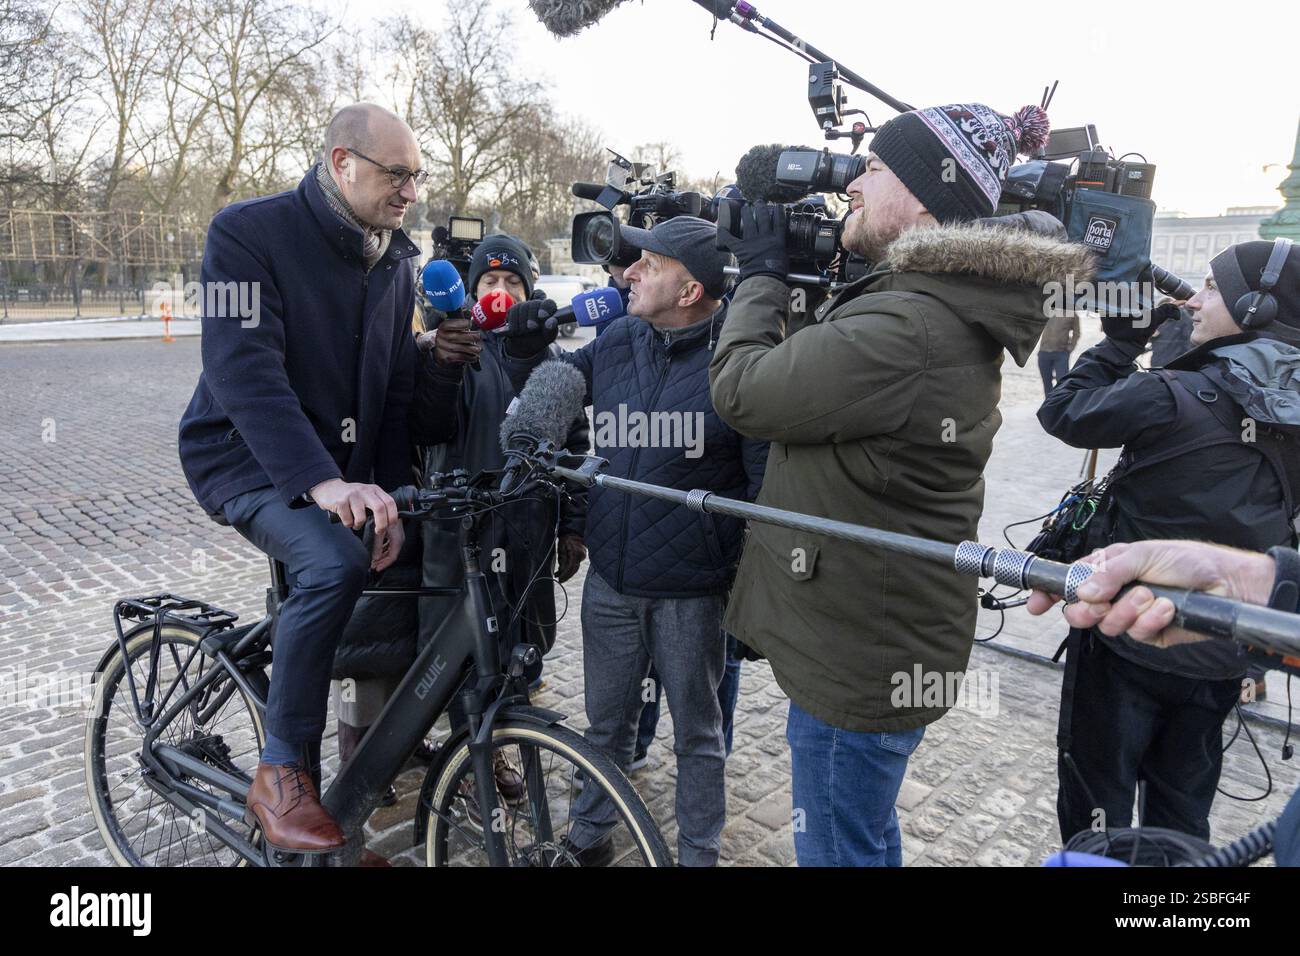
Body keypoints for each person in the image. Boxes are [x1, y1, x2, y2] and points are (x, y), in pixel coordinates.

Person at [709, 101, 1093, 867]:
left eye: (873, 166)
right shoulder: (924, 307)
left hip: (859, 655)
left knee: (838, 849)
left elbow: (743, 393)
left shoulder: (909, 327)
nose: (852, 178)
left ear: (922, 197)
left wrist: (757, 278)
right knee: (864, 834)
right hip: (874, 637)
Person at [177, 103, 423, 856]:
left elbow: (387, 395)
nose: (411, 190)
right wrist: (324, 485)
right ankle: (280, 771)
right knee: (331, 560)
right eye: (396, 174)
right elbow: (239, 366)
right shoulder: (245, 232)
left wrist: (391, 497)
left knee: (389, 564)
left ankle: (336, 827)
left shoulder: (396, 259)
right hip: (241, 455)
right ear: (342, 162)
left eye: (418, 176)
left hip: (336, 477)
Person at [503, 216, 768, 866]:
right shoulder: (621, 334)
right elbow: (568, 378)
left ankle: (698, 855)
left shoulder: (738, 359)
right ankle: (589, 836)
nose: (630, 272)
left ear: (689, 291)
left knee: (698, 736)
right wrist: (527, 367)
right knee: (606, 727)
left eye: (649, 264)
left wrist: (760, 592)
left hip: (692, 591)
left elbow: (767, 493)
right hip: (611, 581)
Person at [1036, 238, 1300, 843]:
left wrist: (1122, 343)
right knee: (1183, 810)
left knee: (1096, 804)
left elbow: (1063, 412)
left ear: (1255, 308)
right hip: (1224, 641)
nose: (1195, 300)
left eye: (1212, 288)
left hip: (1126, 631)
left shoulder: (1169, 394)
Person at [407, 234, 590, 806]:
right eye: (491, 282)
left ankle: (502, 739)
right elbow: (426, 426)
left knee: (517, 642)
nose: (502, 293)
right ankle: (465, 746)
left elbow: (575, 446)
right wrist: (438, 361)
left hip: (526, 525)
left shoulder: (551, 360)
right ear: (472, 289)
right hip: (457, 526)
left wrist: (572, 525)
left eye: (513, 283)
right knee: (457, 642)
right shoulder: (451, 347)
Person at [1026, 538, 1300, 866]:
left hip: (1133, 656)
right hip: (1211, 661)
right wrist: (1248, 581)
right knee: (1171, 804)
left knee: (1104, 804)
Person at [1037, 308, 1081, 395]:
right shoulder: (1047, 310)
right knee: (1047, 384)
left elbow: (1077, 333)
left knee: (1062, 383)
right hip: (1044, 352)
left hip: (1061, 353)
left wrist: (1070, 348)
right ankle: (1049, 406)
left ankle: (1061, 405)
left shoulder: (1072, 314)